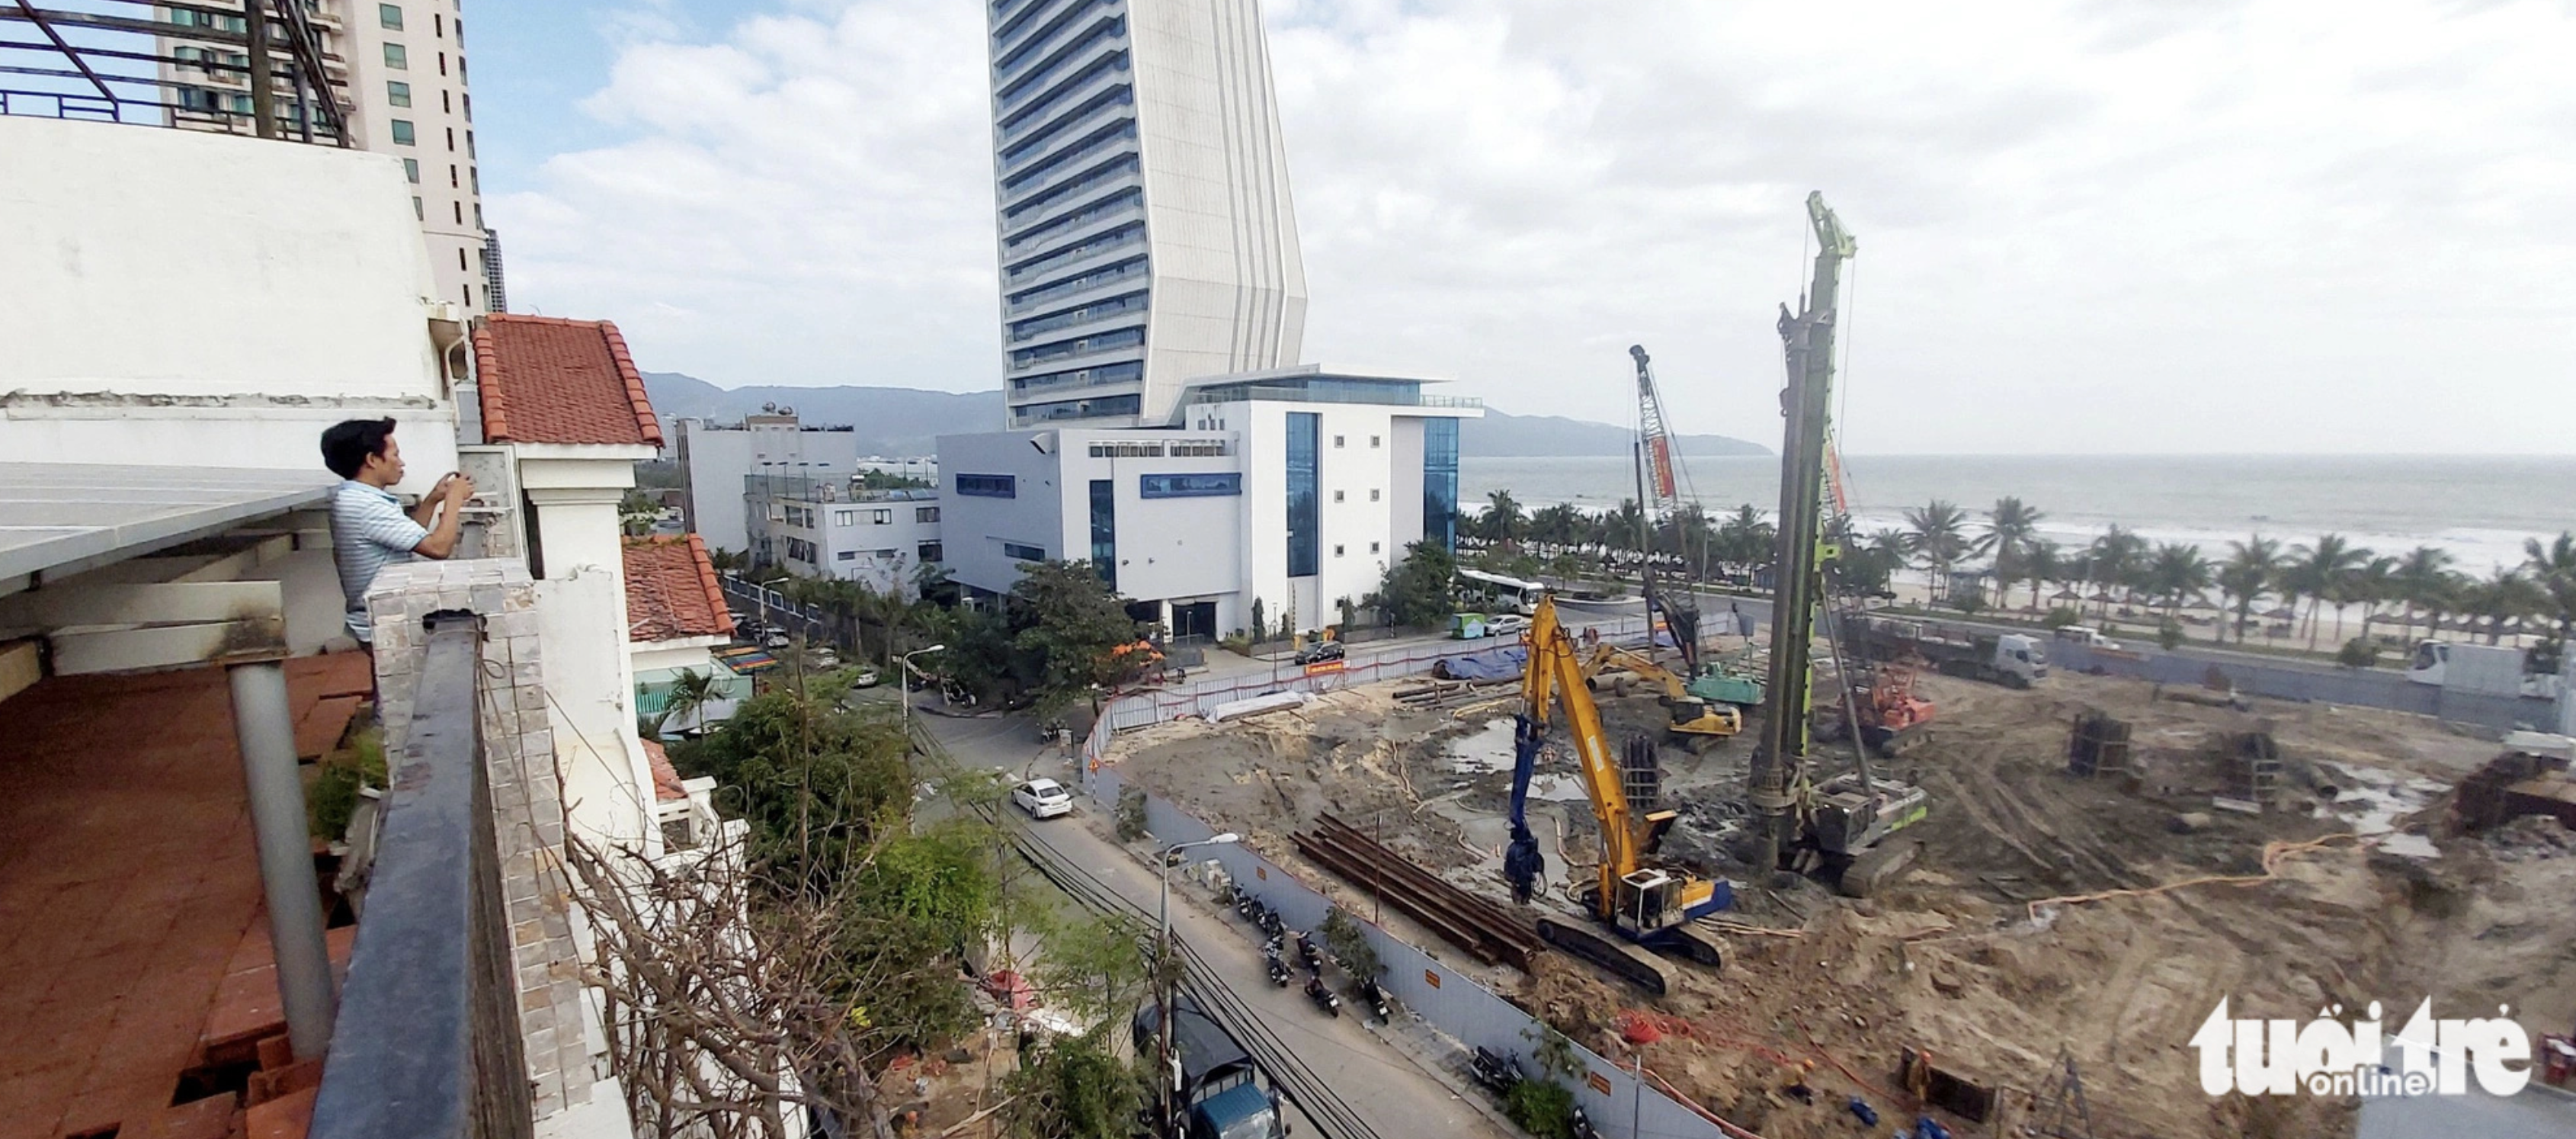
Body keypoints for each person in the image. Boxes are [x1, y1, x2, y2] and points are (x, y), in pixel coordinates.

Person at [321, 418, 473, 650]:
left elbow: (408, 539)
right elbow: (438, 548)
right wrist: (454, 500)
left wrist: (433, 500)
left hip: (378, 620)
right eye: (395, 455)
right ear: (372, 460)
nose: (401, 463)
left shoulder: (357, 498)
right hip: (382, 625)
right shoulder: (366, 505)